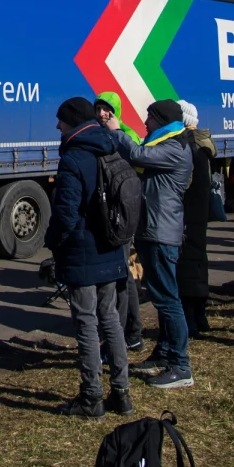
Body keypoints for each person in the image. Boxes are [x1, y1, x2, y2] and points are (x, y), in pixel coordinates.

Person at [44, 97, 133, 418]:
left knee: (86, 322)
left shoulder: (74, 157)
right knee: (110, 319)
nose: (57, 126)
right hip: (111, 245)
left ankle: (91, 396)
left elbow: (66, 212)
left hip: (83, 251)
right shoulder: (109, 146)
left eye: (61, 121)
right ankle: (121, 392)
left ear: (72, 122)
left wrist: (52, 244)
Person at [102, 99, 194, 389]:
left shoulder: (175, 148)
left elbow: (137, 154)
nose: (145, 123)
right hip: (155, 230)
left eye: (150, 118)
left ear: (163, 121)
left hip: (161, 233)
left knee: (168, 301)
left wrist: (117, 131)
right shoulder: (169, 143)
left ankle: (180, 365)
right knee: (164, 297)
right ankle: (164, 353)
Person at [94, 91, 143, 350]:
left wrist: (115, 133)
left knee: (120, 276)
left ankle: (122, 337)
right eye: (99, 109)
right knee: (124, 275)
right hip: (109, 216)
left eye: (107, 109)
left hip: (122, 217)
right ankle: (133, 333)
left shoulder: (126, 135)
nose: (102, 114)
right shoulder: (99, 135)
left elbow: (134, 167)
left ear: (116, 111)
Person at [176, 100, 216, 337]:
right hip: (198, 212)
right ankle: (199, 314)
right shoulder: (201, 144)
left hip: (187, 213)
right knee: (198, 259)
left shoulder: (188, 147)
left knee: (186, 263)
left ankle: (190, 317)